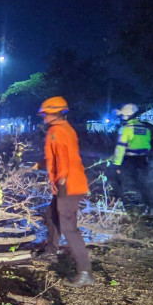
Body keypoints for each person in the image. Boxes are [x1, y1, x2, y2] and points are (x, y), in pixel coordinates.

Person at [33, 96, 95, 288]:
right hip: (68, 182)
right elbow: (59, 156)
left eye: (45, 114)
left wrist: (61, 180)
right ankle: (51, 250)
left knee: (69, 227)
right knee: (51, 216)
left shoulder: (57, 131)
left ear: (54, 113)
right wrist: (40, 164)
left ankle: (85, 272)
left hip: (68, 185)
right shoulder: (64, 130)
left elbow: (64, 159)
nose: (43, 117)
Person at [108, 103, 153, 215]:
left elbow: (120, 149)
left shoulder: (126, 129)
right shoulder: (145, 128)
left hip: (129, 160)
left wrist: (116, 164)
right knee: (142, 183)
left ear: (125, 116)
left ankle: (120, 205)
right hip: (143, 160)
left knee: (115, 179)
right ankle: (151, 206)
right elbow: (148, 146)